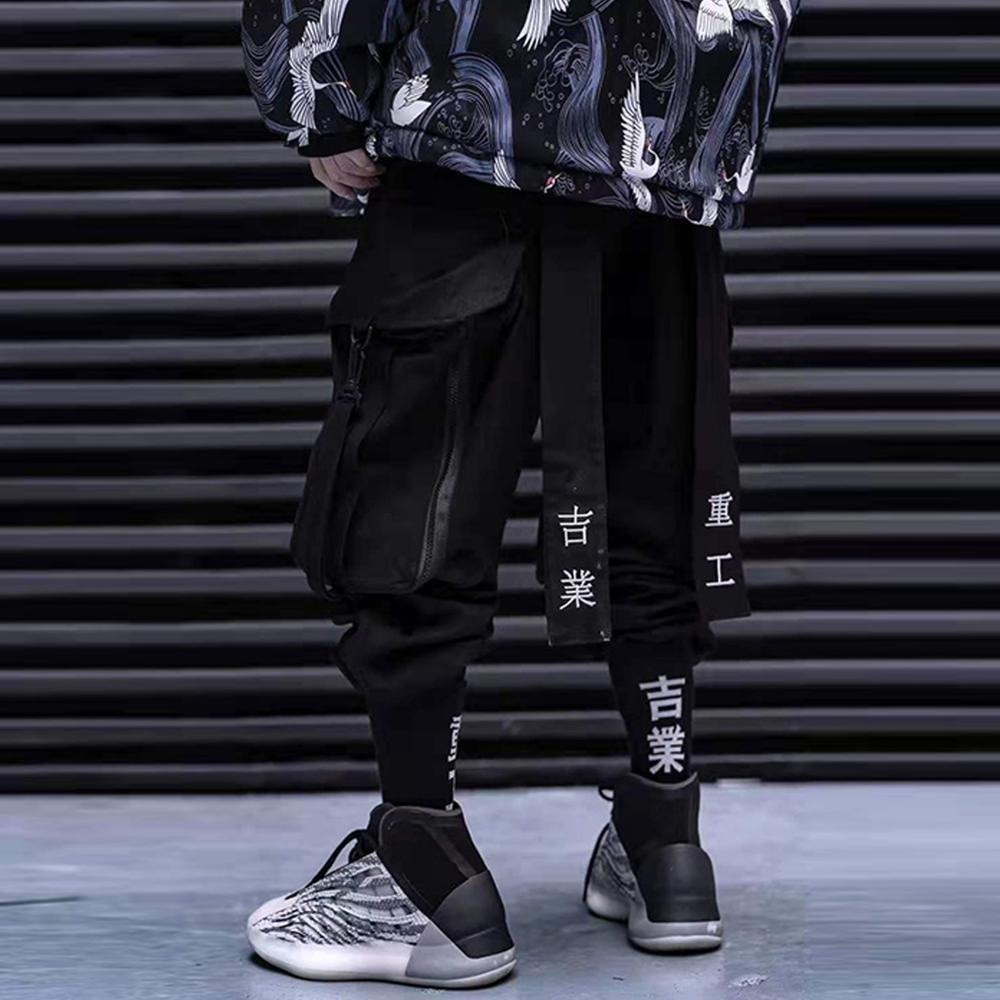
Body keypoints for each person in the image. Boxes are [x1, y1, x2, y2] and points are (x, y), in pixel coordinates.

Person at [240, 0, 798, 988]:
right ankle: (667, 840)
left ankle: (422, 866)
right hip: (668, 142)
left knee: (415, 487)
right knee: (659, 488)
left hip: (478, 113)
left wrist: (320, 96)